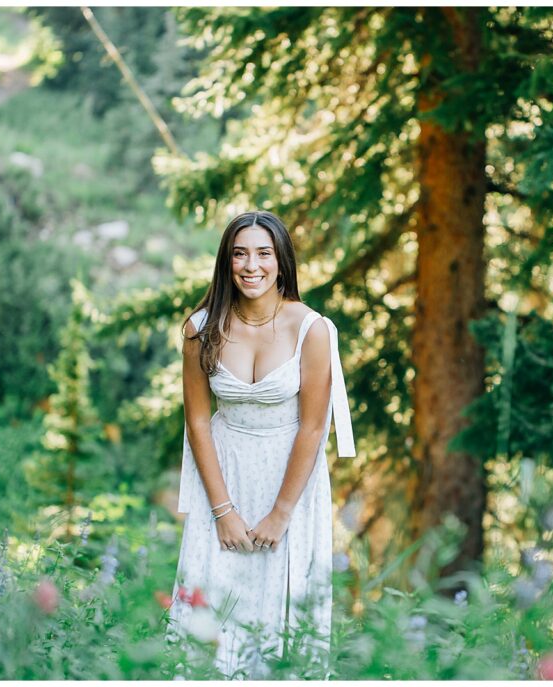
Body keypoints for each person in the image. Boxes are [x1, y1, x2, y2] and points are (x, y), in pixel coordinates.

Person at [166, 211, 355, 678]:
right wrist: (222, 512)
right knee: (213, 605)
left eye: (264, 254)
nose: (252, 265)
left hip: (290, 482)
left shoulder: (312, 330)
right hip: (224, 476)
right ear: (227, 262)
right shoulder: (200, 328)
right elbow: (197, 422)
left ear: (281, 261)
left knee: (282, 612)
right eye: (240, 254)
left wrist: (280, 513)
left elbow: (313, 428)